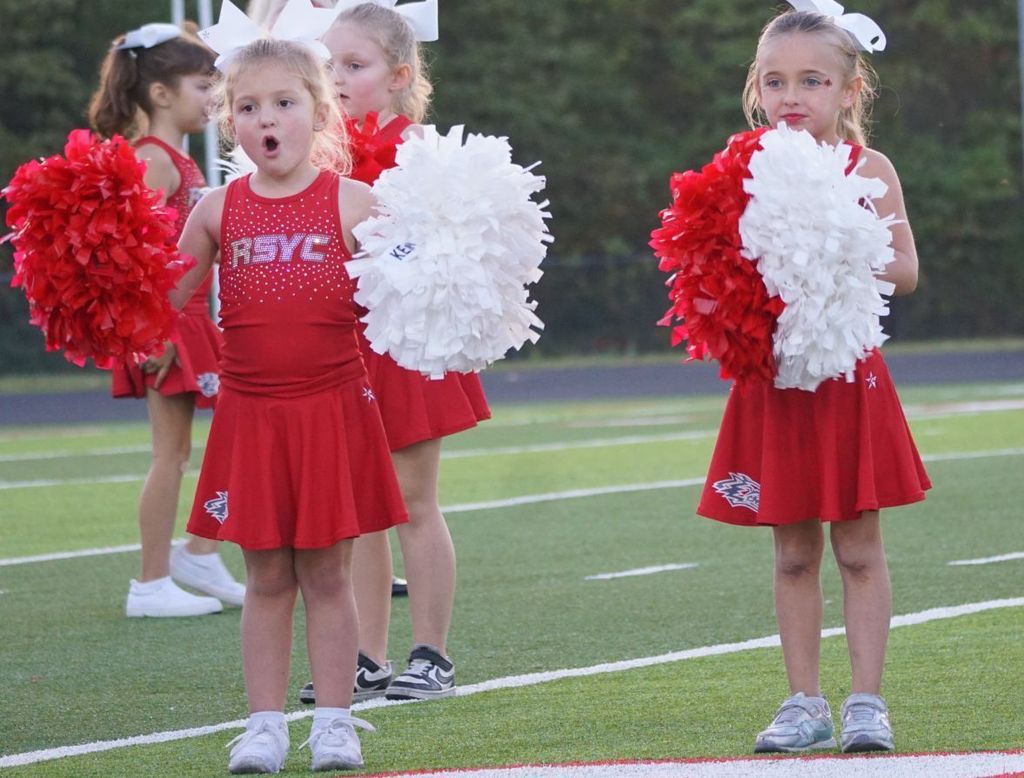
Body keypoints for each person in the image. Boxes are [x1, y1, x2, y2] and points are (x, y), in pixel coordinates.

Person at [693, 4, 931, 755]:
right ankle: (804, 702)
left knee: (859, 548)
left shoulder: (870, 170)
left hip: (847, 373)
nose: (792, 95)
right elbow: (705, 269)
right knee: (792, 553)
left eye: (812, 80)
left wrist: (834, 249)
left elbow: (906, 270)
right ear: (755, 88)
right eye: (775, 80)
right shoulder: (740, 169)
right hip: (774, 381)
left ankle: (867, 702)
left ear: (851, 89)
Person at [171, 31, 407, 773]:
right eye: (247, 106)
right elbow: (165, 297)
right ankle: (264, 726)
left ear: (320, 112)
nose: (266, 118)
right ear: (229, 121)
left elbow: (415, 291)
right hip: (250, 416)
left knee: (329, 574)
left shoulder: (356, 202)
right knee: (267, 576)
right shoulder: (215, 208)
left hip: (332, 409)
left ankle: (333, 722)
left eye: (283, 102)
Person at [297, 0, 490, 706]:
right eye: (329, 65)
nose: (338, 78)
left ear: (399, 73)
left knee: (412, 500)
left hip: (411, 344)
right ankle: (363, 655)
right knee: (357, 507)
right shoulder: (312, 155)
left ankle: (431, 653)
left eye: (355, 65)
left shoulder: (420, 154)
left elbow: (448, 251)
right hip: (339, 347)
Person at [88, 21, 246, 618]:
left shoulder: (173, 158)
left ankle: (199, 551)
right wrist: (150, 334)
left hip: (192, 319)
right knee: (171, 453)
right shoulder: (153, 161)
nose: (214, 97)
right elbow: (126, 259)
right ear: (160, 93)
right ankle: (151, 582)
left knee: (227, 433)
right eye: (204, 84)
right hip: (169, 325)